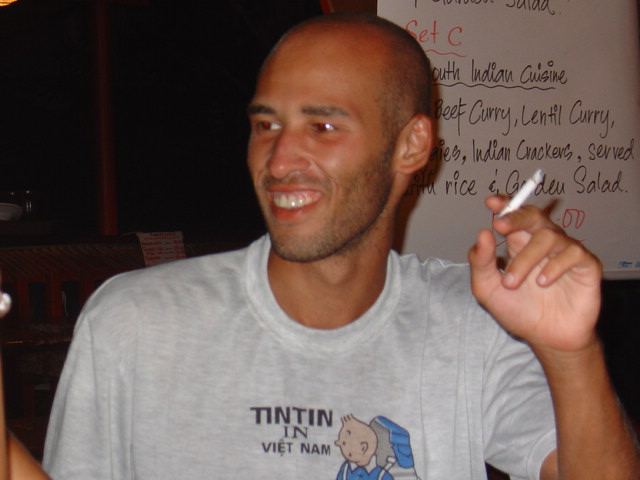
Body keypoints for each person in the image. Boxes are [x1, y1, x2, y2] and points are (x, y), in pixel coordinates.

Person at [42, 12, 640, 480]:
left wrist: (570, 354)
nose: (279, 160)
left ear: (411, 146)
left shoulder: (474, 322)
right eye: (266, 125)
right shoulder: (137, 324)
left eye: (323, 127)